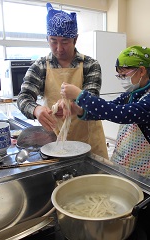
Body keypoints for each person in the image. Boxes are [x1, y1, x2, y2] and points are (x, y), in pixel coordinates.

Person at [60, 46, 150, 181]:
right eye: (120, 76)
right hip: (123, 165)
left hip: (143, 171)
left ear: (141, 71)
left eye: (125, 75)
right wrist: (80, 110)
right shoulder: (130, 95)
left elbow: (119, 113)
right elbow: (108, 109)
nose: (122, 79)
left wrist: (81, 95)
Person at [17, 3, 108, 159]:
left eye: (65, 42)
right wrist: (36, 110)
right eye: (53, 41)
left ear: (75, 39)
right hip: (56, 143)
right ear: (47, 39)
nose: (59, 48)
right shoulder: (40, 67)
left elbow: (92, 103)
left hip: (89, 143)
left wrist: (72, 106)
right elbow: (23, 97)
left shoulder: (90, 65)